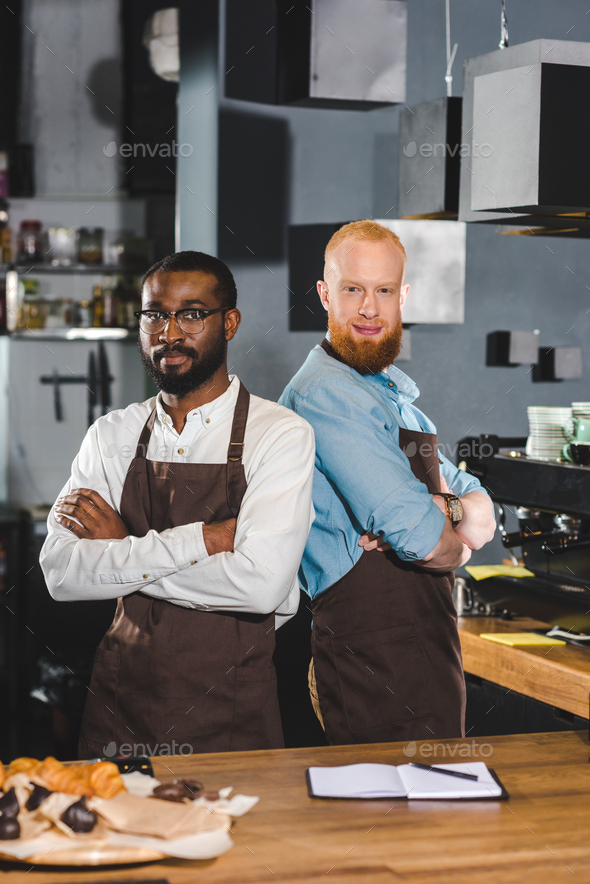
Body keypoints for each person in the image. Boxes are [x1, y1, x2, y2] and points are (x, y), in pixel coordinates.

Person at [41, 250, 315, 759]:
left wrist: (122, 551)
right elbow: (62, 575)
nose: (169, 332)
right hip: (120, 707)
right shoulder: (111, 435)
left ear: (229, 322)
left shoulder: (278, 434)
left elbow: (259, 586)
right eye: (154, 314)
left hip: (233, 715)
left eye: (191, 313)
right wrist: (206, 540)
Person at [279, 220, 495, 745]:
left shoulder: (388, 395)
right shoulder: (327, 393)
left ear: (404, 297)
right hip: (373, 650)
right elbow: (422, 538)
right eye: (353, 289)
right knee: (383, 815)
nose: (369, 308)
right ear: (326, 294)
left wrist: (445, 512)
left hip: (425, 644)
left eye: (383, 291)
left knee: (432, 810)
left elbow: (484, 509)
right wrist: (453, 532)